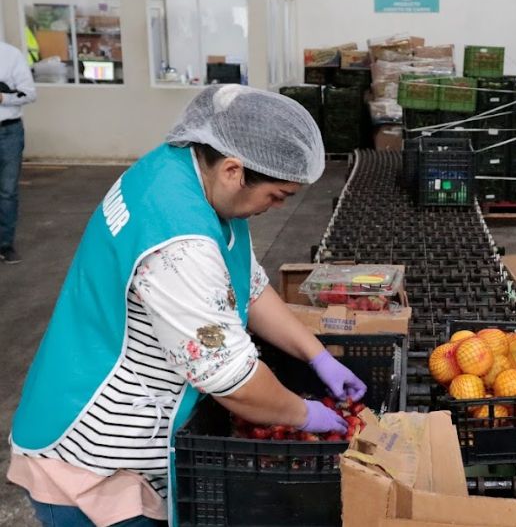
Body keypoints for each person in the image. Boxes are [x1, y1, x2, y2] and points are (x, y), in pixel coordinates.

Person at [7, 84, 366, 526]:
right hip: (97, 468)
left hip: (116, 427)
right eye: (277, 196)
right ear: (235, 170)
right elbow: (233, 380)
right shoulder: (179, 240)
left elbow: (247, 288)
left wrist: (315, 354)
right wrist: (307, 415)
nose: (276, 207)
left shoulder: (186, 170)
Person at [0, 39, 37, 264]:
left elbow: (30, 93)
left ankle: (5, 245)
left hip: (8, 133)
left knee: (7, 191)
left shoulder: (10, 56)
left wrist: (3, 97)